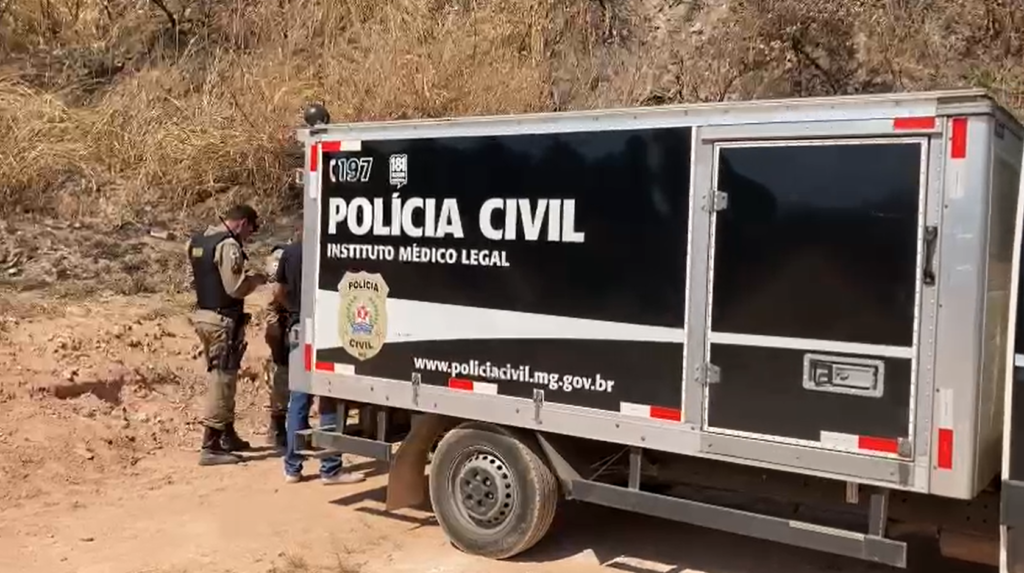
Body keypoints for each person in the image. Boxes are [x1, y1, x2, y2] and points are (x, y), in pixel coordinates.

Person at [275, 236, 365, 485]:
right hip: (328, 330)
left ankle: (292, 468)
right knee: (331, 399)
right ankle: (330, 468)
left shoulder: (290, 252)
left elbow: (278, 292)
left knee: (299, 400)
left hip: (298, 328)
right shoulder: (335, 249)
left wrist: (295, 309)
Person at [187, 204, 268, 466]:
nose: (249, 236)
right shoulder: (228, 245)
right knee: (222, 379)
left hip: (205, 315)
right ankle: (211, 444)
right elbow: (235, 287)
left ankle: (227, 435)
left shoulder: (200, 240)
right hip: (222, 319)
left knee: (226, 376)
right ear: (243, 223)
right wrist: (256, 280)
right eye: (251, 230)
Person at [262, 245, 290, 451]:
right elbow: (275, 295)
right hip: (279, 324)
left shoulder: (279, 257)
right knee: (282, 372)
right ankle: (277, 428)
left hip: (281, 323)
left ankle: (283, 426)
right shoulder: (280, 258)